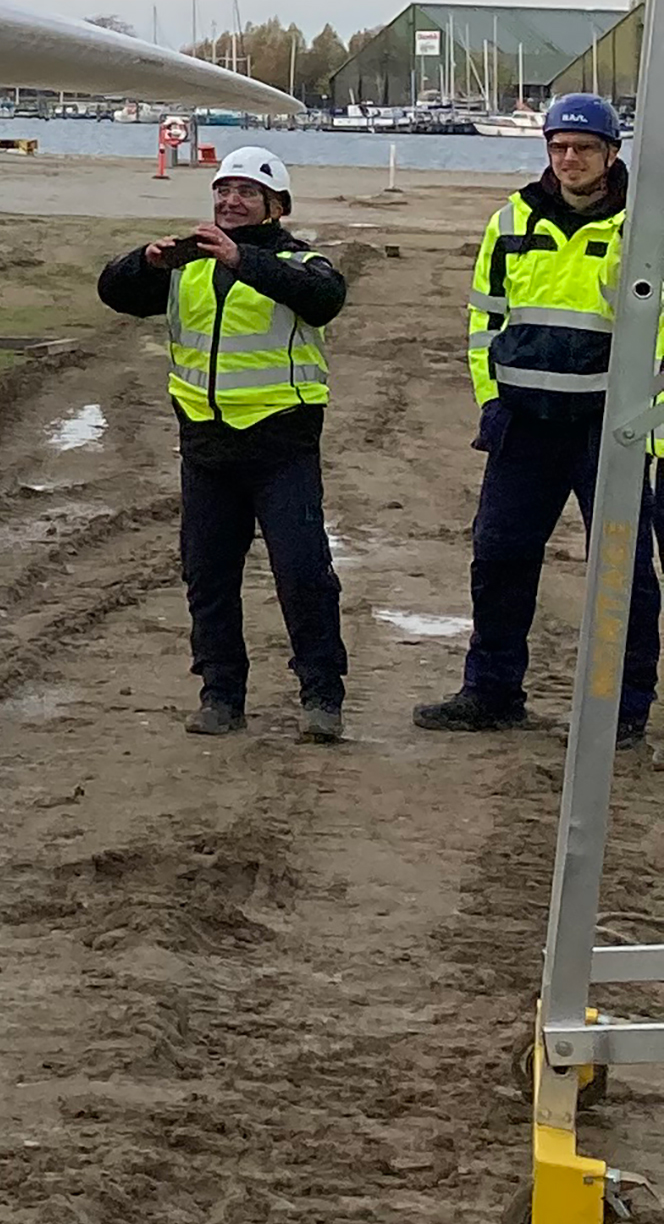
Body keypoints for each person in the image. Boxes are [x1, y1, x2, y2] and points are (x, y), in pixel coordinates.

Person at [412, 89, 652, 742]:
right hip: (524, 421)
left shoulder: (644, 226)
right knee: (499, 555)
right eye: (559, 146)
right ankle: (491, 691)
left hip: (608, 424)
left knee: (622, 567)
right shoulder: (512, 219)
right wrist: (490, 401)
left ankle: (622, 711)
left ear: (611, 153)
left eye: (583, 148)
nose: (569, 158)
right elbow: (484, 320)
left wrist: (648, 421)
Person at [97, 143, 353, 742]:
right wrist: (146, 261)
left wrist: (242, 259)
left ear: (275, 206)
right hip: (207, 444)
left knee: (302, 572)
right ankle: (221, 694)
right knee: (208, 576)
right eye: (223, 190)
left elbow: (323, 300)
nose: (230, 200)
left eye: (246, 193)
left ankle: (321, 695)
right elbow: (115, 293)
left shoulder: (302, 261)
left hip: (281, 443)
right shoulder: (190, 263)